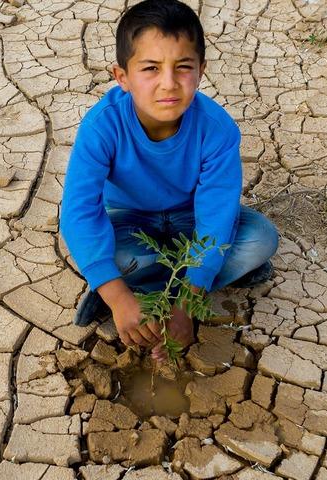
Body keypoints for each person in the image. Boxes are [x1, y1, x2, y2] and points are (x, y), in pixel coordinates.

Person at [59, 0, 279, 361]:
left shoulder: (216, 129)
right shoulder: (102, 126)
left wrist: (186, 305)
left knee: (260, 239)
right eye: (150, 68)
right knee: (108, 254)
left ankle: (163, 290)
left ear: (201, 70)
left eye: (183, 67)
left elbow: (216, 217)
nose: (169, 83)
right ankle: (123, 294)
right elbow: (79, 213)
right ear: (122, 77)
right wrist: (117, 296)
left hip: (190, 220)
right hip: (130, 221)